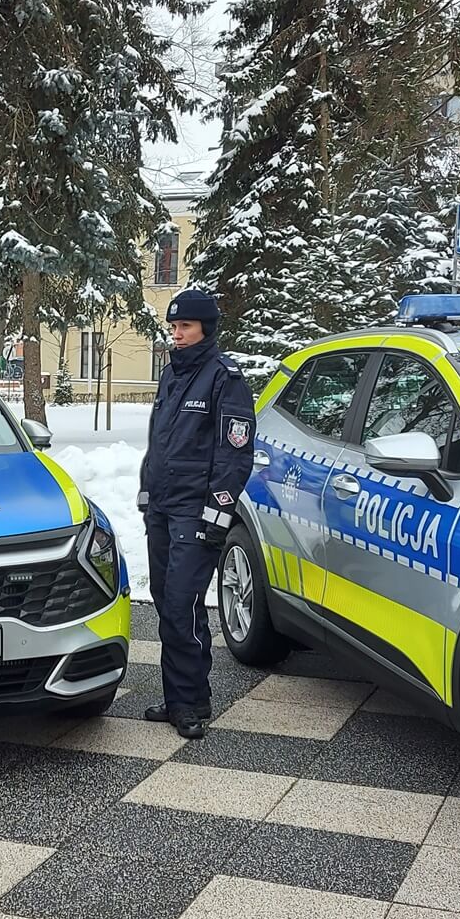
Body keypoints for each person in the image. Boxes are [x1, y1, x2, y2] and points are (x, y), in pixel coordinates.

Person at [137, 289, 255, 739]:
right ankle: (179, 696)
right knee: (169, 604)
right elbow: (159, 442)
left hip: (196, 513)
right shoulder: (172, 375)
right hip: (164, 509)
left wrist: (217, 513)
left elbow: (235, 456)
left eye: (185, 326)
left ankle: (190, 704)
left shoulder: (226, 379)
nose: (177, 334)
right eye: (173, 327)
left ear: (206, 327)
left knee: (183, 604)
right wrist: (147, 493)